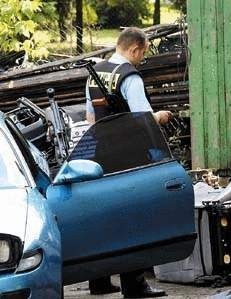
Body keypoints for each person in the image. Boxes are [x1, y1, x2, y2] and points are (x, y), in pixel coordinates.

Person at [85, 27, 169, 298]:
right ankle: (135, 285)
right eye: (142, 54)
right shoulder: (129, 77)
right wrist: (162, 116)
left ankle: (98, 281)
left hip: (100, 156)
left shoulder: (95, 73)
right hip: (128, 156)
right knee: (135, 217)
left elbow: (90, 120)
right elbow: (143, 118)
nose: (141, 59)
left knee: (103, 216)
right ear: (134, 49)